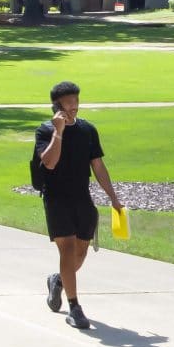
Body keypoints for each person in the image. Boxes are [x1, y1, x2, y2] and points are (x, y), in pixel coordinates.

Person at [33, 80, 122, 330]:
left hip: (82, 198)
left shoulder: (88, 130)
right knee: (67, 250)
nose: (74, 106)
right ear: (57, 106)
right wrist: (58, 132)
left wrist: (113, 198)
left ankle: (58, 280)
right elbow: (49, 162)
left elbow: (98, 166)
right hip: (56, 199)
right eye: (69, 103)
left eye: (76, 101)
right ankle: (74, 307)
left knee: (80, 254)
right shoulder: (44, 131)